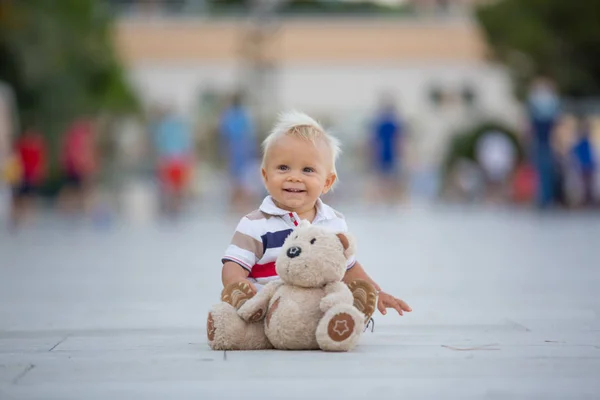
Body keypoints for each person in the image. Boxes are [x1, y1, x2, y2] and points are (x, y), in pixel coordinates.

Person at [216, 111, 411, 330]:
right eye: (283, 168)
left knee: (339, 297)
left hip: (315, 309)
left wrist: (376, 292)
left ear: (327, 182)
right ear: (265, 176)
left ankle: (340, 323)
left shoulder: (333, 223)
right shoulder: (255, 224)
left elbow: (349, 268)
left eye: (307, 170)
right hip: (269, 309)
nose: (294, 177)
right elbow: (234, 264)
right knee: (243, 326)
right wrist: (237, 284)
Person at [219, 92, 259, 211]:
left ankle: (236, 204)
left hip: (235, 150)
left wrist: (223, 151)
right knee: (242, 178)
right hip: (242, 149)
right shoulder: (243, 115)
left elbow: (224, 135)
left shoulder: (228, 115)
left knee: (236, 178)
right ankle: (240, 204)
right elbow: (250, 134)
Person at [369, 96, 404, 204]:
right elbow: (375, 142)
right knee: (384, 179)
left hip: (388, 154)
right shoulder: (382, 123)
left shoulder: (391, 123)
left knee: (388, 179)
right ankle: (385, 199)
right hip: (384, 155)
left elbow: (398, 140)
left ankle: (389, 199)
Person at [9, 127, 47, 227]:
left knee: (28, 197)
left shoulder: (35, 147)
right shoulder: (21, 145)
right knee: (18, 198)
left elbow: (39, 162)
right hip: (20, 175)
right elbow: (15, 159)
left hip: (29, 176)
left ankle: (27, 219)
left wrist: (38, 174)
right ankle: (17, 218)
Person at [571, 117, 597, 207]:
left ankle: (589, 200)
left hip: (589, 166)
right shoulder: (579, 143)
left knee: (589, 185)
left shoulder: (588, 142)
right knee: (582, 185)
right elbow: (575, 154)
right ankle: (584, 200)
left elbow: (591, 155)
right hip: (582, 167)